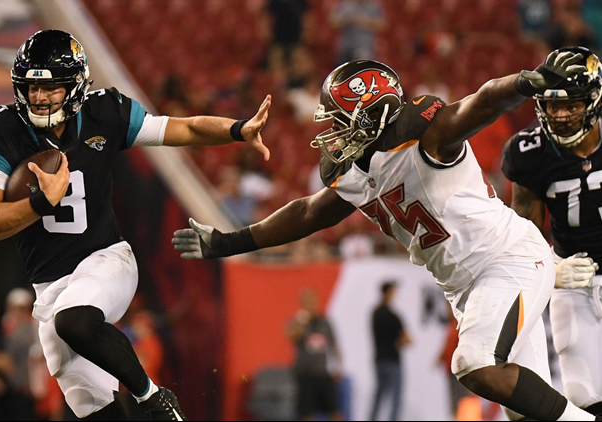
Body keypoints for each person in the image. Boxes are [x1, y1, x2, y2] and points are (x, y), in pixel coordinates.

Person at [173, 49, 602, 421]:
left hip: (507, 260)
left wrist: (525, 83)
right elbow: (307, 212)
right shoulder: (358, 170)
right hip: (466, 286)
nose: (330, 132)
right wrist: (229, 242)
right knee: (525, 409)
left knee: (475, 363)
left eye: (339, 120)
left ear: (371, 113)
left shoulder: (428, 137)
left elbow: (483, 101)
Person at [0, 29, 271, 421]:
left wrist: (237, 129)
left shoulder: (105, 112)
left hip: (106, 261)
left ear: (75, 85)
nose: (39, 97)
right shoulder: (3, 128)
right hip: (49, 287)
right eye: (31, 87)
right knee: (92, 406)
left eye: (51, 87)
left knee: (73, 320)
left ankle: (153, 398)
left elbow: (183, 128)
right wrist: (41, 202)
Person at [502, 46, 602, 417]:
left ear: (593, 99)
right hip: (575, 281)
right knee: (585, 398)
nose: (560, 115)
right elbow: (524, 232)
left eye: (571, 104)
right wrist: (547, 271)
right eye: (551, 105)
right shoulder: (529, 152)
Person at [286, 289, 342, 421]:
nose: (310, 305)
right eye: (307, 302)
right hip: (304, 374)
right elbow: (290, 337)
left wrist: (339, 366)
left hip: (322, 373)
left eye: (312, 301)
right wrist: (300, 322)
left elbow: (334, 345)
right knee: (306, 413)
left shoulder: (324, 323)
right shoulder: (298, 322)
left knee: (334, 411)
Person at [369, 281, 410, 421]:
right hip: (393, 360)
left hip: (380, 360)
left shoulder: (375, 313)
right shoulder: (394, 316)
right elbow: (407, 340)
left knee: (379, 396)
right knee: (396, 397)